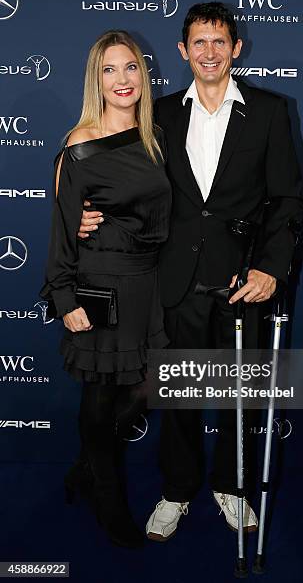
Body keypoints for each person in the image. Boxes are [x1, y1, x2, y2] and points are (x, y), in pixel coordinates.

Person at [78, 3, 303, 541]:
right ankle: (177, 490)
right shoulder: (159, 114)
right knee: (178, 394)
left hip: (243, 282)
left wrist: (271, 267)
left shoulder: (270, 111)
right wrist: (86, 209)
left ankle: (231, 485)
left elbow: (288, 200)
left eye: (219, 42)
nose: (209, 52)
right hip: (173, 280)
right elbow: (128, 184)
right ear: (183, 52)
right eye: (198, 43)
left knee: (237, 395)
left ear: (236, 48)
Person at [40, 29, 171, 548]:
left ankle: (84, 470)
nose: (123, 79)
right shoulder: (79, 145)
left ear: (144, 74)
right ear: (96, 79)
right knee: (99, 395)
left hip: (148, 284)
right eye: (110, 70)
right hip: (101, 284)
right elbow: (62, 228)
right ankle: (107, 494)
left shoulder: (153, 137)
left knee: (149, 385)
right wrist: (64, 297)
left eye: (131, 67)